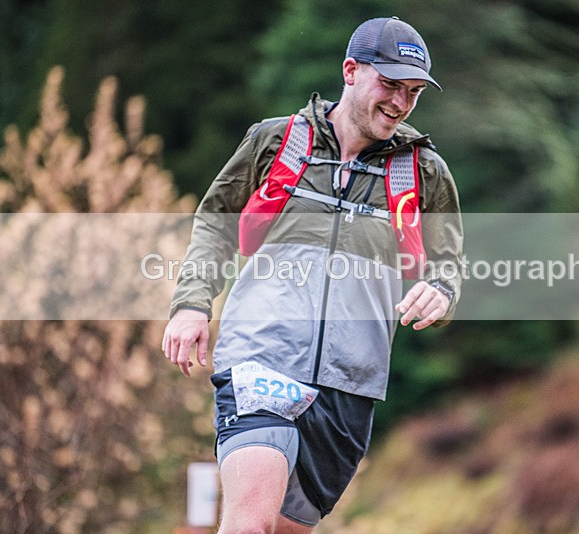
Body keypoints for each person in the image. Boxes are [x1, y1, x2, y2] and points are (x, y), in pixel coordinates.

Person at [162, 16, 463, 533]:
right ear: (350, 71)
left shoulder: (425, 171)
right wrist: (192, 303)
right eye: (390, 84)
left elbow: (449, 265)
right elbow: (215, 223)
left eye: (413, 92)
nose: (400, 102)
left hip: (351, 384)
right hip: (262, 355)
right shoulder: (275, 141)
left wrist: (441, 292)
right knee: (249, 526)